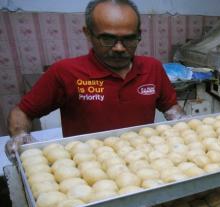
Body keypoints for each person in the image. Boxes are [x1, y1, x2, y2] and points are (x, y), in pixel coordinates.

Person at [5, 0, 185, 161]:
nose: (119, 48)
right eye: (107, 39)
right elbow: (22, 112)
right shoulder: (66, 72)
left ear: (138, 34)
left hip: (142, 161)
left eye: (129, 38)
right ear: (88, 33)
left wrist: (183, 122)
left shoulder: (152, 68)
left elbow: (171, 108)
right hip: (88, 168)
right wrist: (20, 135)